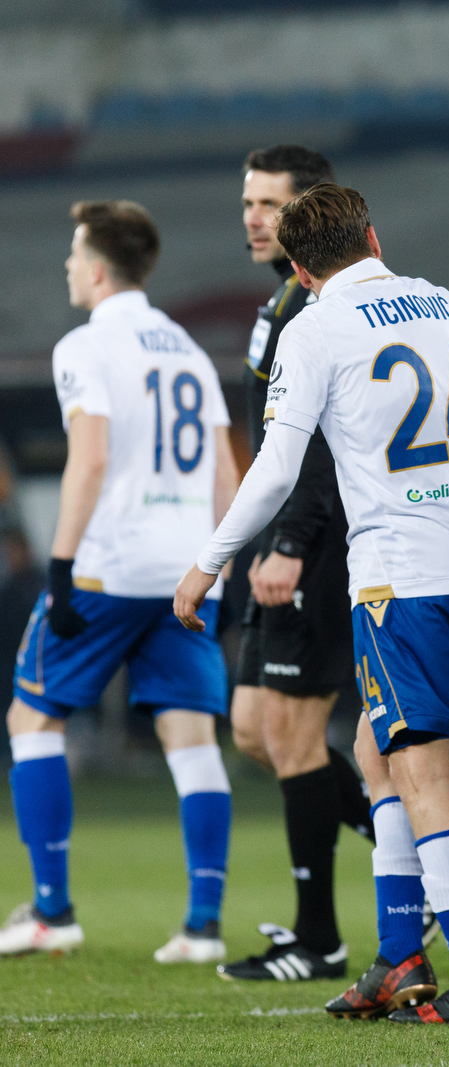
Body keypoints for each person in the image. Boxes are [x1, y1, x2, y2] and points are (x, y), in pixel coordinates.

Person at [174, 182, 449, 1024]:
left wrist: (208, 563)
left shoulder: (314, 327)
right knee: (374, 746)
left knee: (422, 769)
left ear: (303, 269)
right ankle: (398, 956)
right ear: (374, 237)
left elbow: (276, 468)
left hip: (403, 576)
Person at [4, 201, 237, 962]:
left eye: (74, 255)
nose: (68, 268)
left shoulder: (86, 345)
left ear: (98, 267)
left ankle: (52, 910)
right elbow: (226, 472)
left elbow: (91, 458)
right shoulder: (190, 352)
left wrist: (62, 568)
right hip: (183, 569)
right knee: (192, 737)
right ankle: (203, 923)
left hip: (107, 564)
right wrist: (218, 574)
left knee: (31, 721)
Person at [221, 143, 383, 985]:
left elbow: (318, 448)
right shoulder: (283, 300)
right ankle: (397, 842)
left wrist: (288, 543)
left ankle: (318, 935)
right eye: (248, 203)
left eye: (270, 205)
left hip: (313, 546)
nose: (254, 217)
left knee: (288, 733)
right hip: (281, 540)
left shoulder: (314, 310)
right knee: (254, 728)